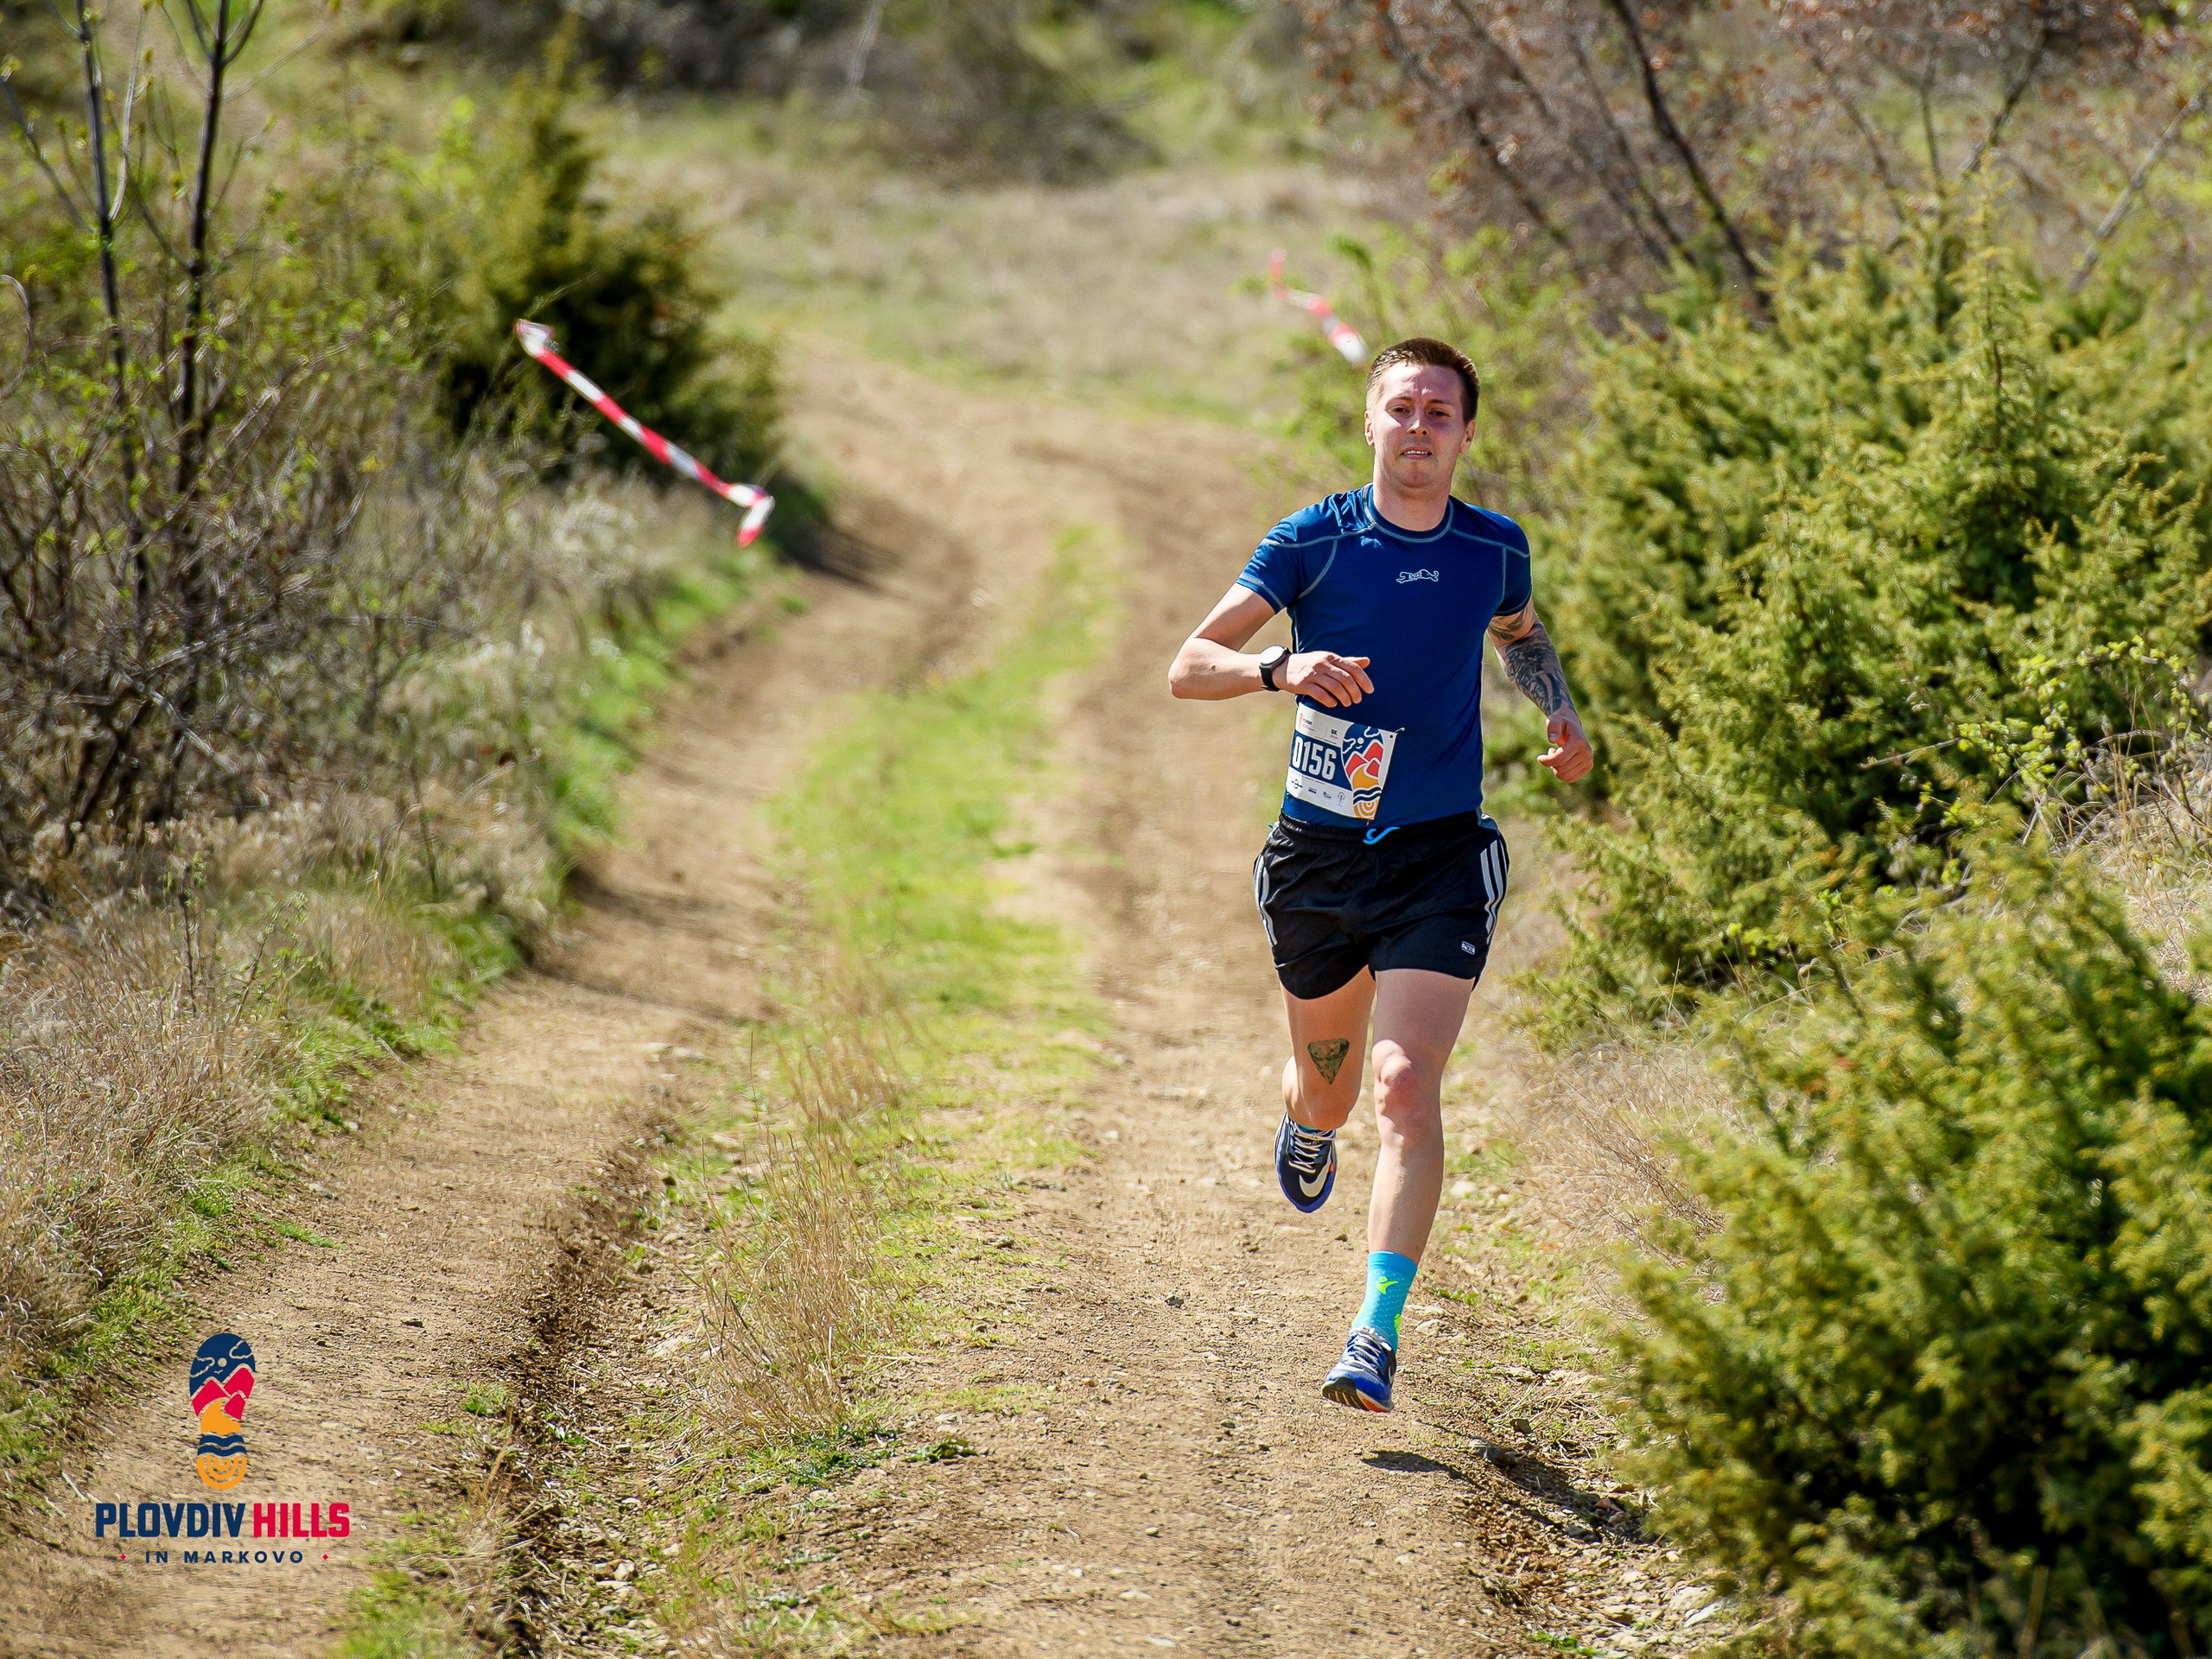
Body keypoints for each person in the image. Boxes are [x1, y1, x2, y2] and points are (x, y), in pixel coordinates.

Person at [1166, 336, 1592, 1413]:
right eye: (1400, 409)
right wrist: (1281, 666)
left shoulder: (1494, 548)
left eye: (1438, 414)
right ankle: (1309, 1118)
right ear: (1370, 423)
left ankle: (1373, 1333)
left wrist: (1557, 704)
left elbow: (1519, 635)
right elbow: (1187, 666)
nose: (1417, 429)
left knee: (1405, 1086)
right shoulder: (1312, 540)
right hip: (1315, 861)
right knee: (1335, 1083)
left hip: (1439, 855)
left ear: (1464, 434)